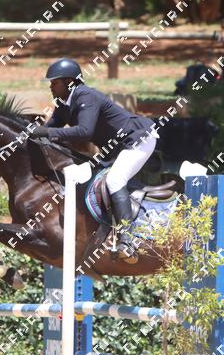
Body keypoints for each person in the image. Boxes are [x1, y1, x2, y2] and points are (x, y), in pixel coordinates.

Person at [30, 58, 158, 262]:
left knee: (115, 180)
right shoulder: (64, 102)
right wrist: (28, 132)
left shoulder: (85, 96)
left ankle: (128, 240)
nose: (51, 86)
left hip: (138, 138)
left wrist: (47, 132)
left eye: (55, 82)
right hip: (116, 148)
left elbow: (84, 131)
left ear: (69, 82)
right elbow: (51, 128)